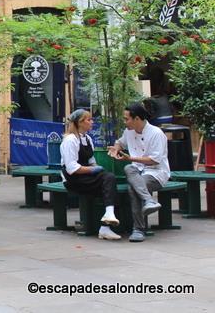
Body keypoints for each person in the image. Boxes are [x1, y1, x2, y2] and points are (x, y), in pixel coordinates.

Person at [108, 102, 170, 243]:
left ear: (137, 119)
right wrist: (116, 148)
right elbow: (120, 142)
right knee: (129, 168)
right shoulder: (128, 132)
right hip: (136, 171)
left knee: (133, 188)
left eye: (126, 119)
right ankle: (148, 200)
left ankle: (138, 229)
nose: (125, 122)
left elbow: (155, 160)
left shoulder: (156, 133)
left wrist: (131, 158)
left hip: (156, 173)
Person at [60, 109, 121, 240]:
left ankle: (106, 223)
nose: (91, 122)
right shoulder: (70, 140)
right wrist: (93, 170)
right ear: (80, 123)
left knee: (109, 183)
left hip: (85, 177)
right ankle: (106, 222)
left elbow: (91, 161)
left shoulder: (87, 139)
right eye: (89, 120)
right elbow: (72, 168)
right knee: (109, 179)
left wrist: (95, 168)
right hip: (73, 180)